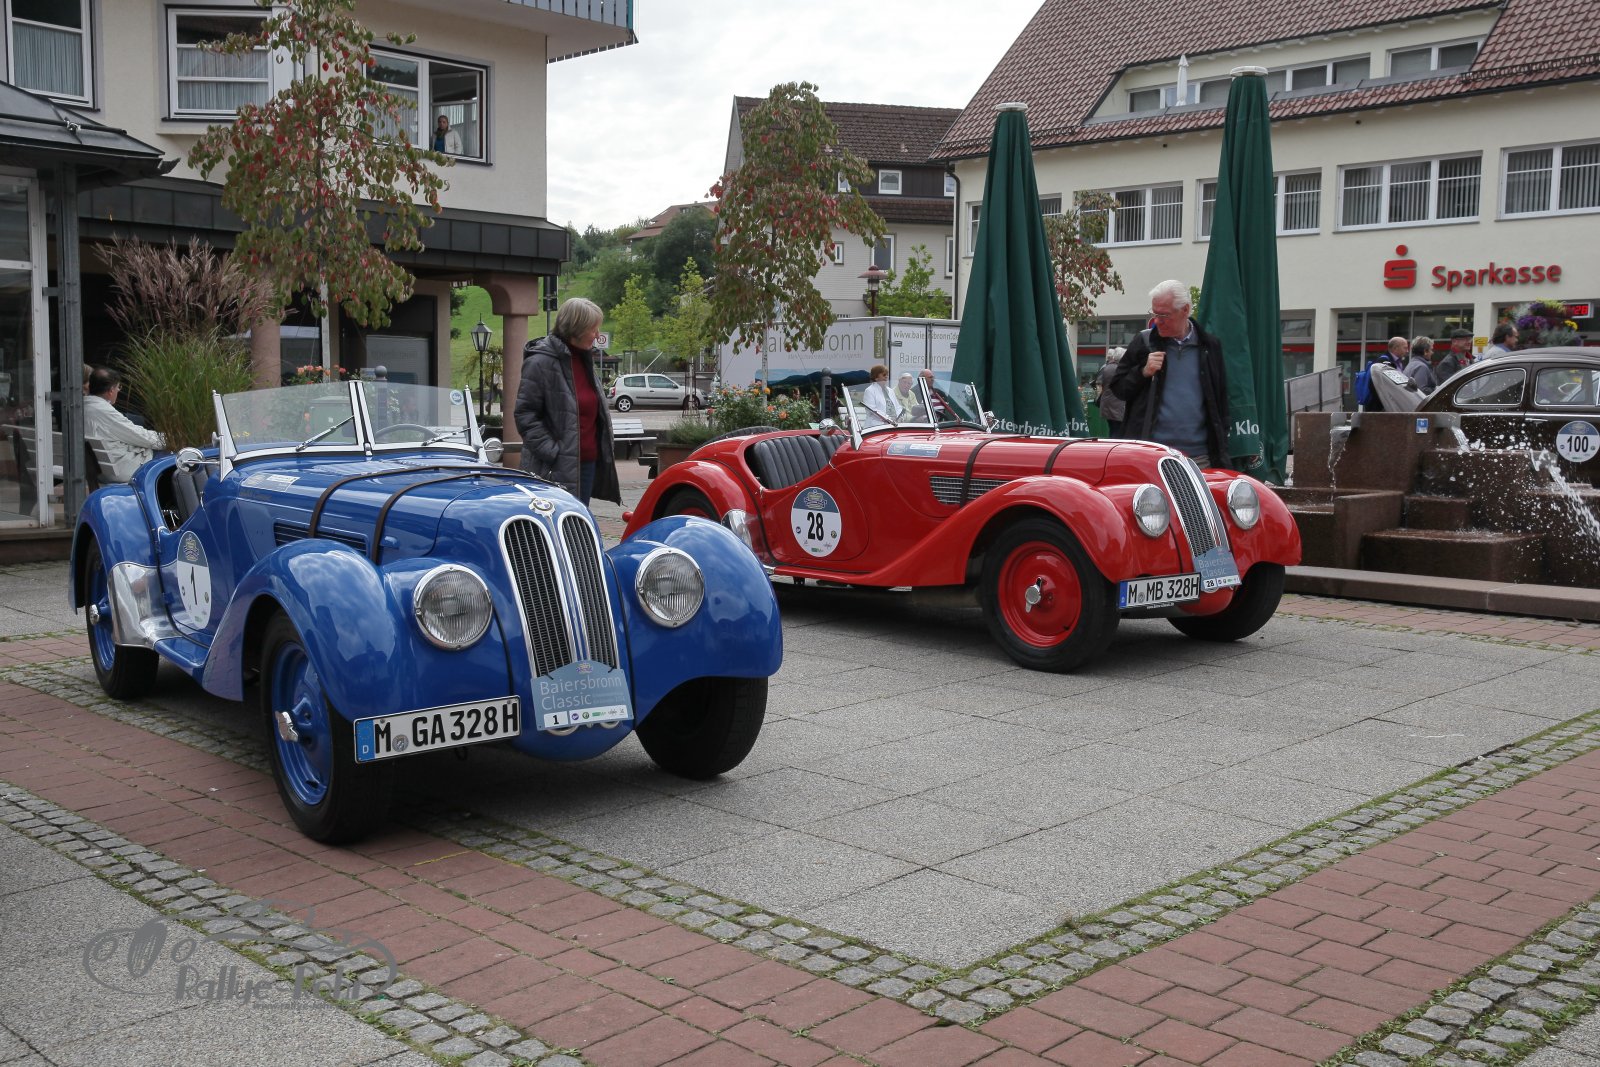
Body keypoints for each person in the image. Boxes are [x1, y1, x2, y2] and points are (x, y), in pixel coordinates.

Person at [1111, 279, 1232, 468]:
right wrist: (1143, 372)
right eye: (1154, 313)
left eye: (1164, 315)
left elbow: (1221, 400)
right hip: (1151, 456)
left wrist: (1222, 441)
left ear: (1185, 310)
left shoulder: (1209, 346)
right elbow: (1118, 388)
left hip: (1200, 458)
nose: (1157, 321)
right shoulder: (1145, 342)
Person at [514, 297, 620, 507]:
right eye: (593, 329)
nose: (598, 335)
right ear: (576, 329)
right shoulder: (539, 362)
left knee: (578, 522)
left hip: (586, 464)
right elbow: (525, 414)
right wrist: (553, 452)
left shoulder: (584, 360)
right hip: (552, 467)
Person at [84, 367, 165, 483]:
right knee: (171, 455)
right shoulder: (104, 411)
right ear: (111, 390)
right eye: (118, 387)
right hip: (120, 471)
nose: (118, 390)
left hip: (99, 469)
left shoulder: (82, 406)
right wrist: (169, 440)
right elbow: (139, 436)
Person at [1097, 347, 1127, 436]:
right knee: (1117, 431)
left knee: (1113, 428)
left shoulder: (1107, 367)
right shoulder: (1119, 369)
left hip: (1108, 403)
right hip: (1117, 404)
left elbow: (1100, 383)